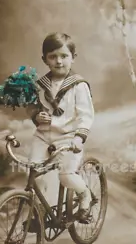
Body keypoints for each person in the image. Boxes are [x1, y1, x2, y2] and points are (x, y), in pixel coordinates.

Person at [26, 32, 95, 223]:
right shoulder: (40, 86)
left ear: (73, 58)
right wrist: (36, 115)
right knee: (35, 174)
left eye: (64, 56)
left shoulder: (78, 85)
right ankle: (40, 213)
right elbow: (32, 106)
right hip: (43, 136)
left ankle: (85, 196)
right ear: (45, 60)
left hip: (68, 136)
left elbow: (86, 115)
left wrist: (79, 138)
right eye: (52, 56)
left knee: (66, 176)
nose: (58, 61)